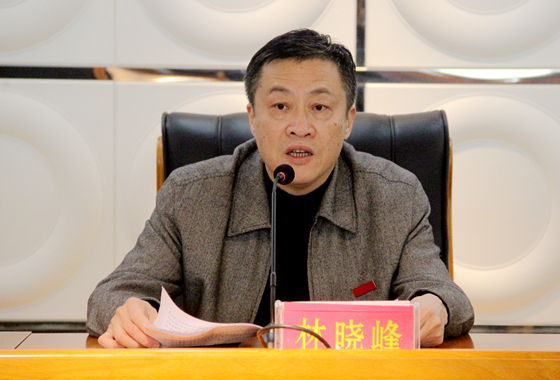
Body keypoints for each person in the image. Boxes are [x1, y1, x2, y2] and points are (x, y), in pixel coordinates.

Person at [87, 29, 474, 349]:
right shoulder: (191, 195)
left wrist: (434, 307)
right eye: (280, 107)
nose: (299, 127)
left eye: (319, 108)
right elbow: (111, 295)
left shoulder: (395, 197)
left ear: (348, 120)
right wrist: (129, 311)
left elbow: (445, 295)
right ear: (252, 118)